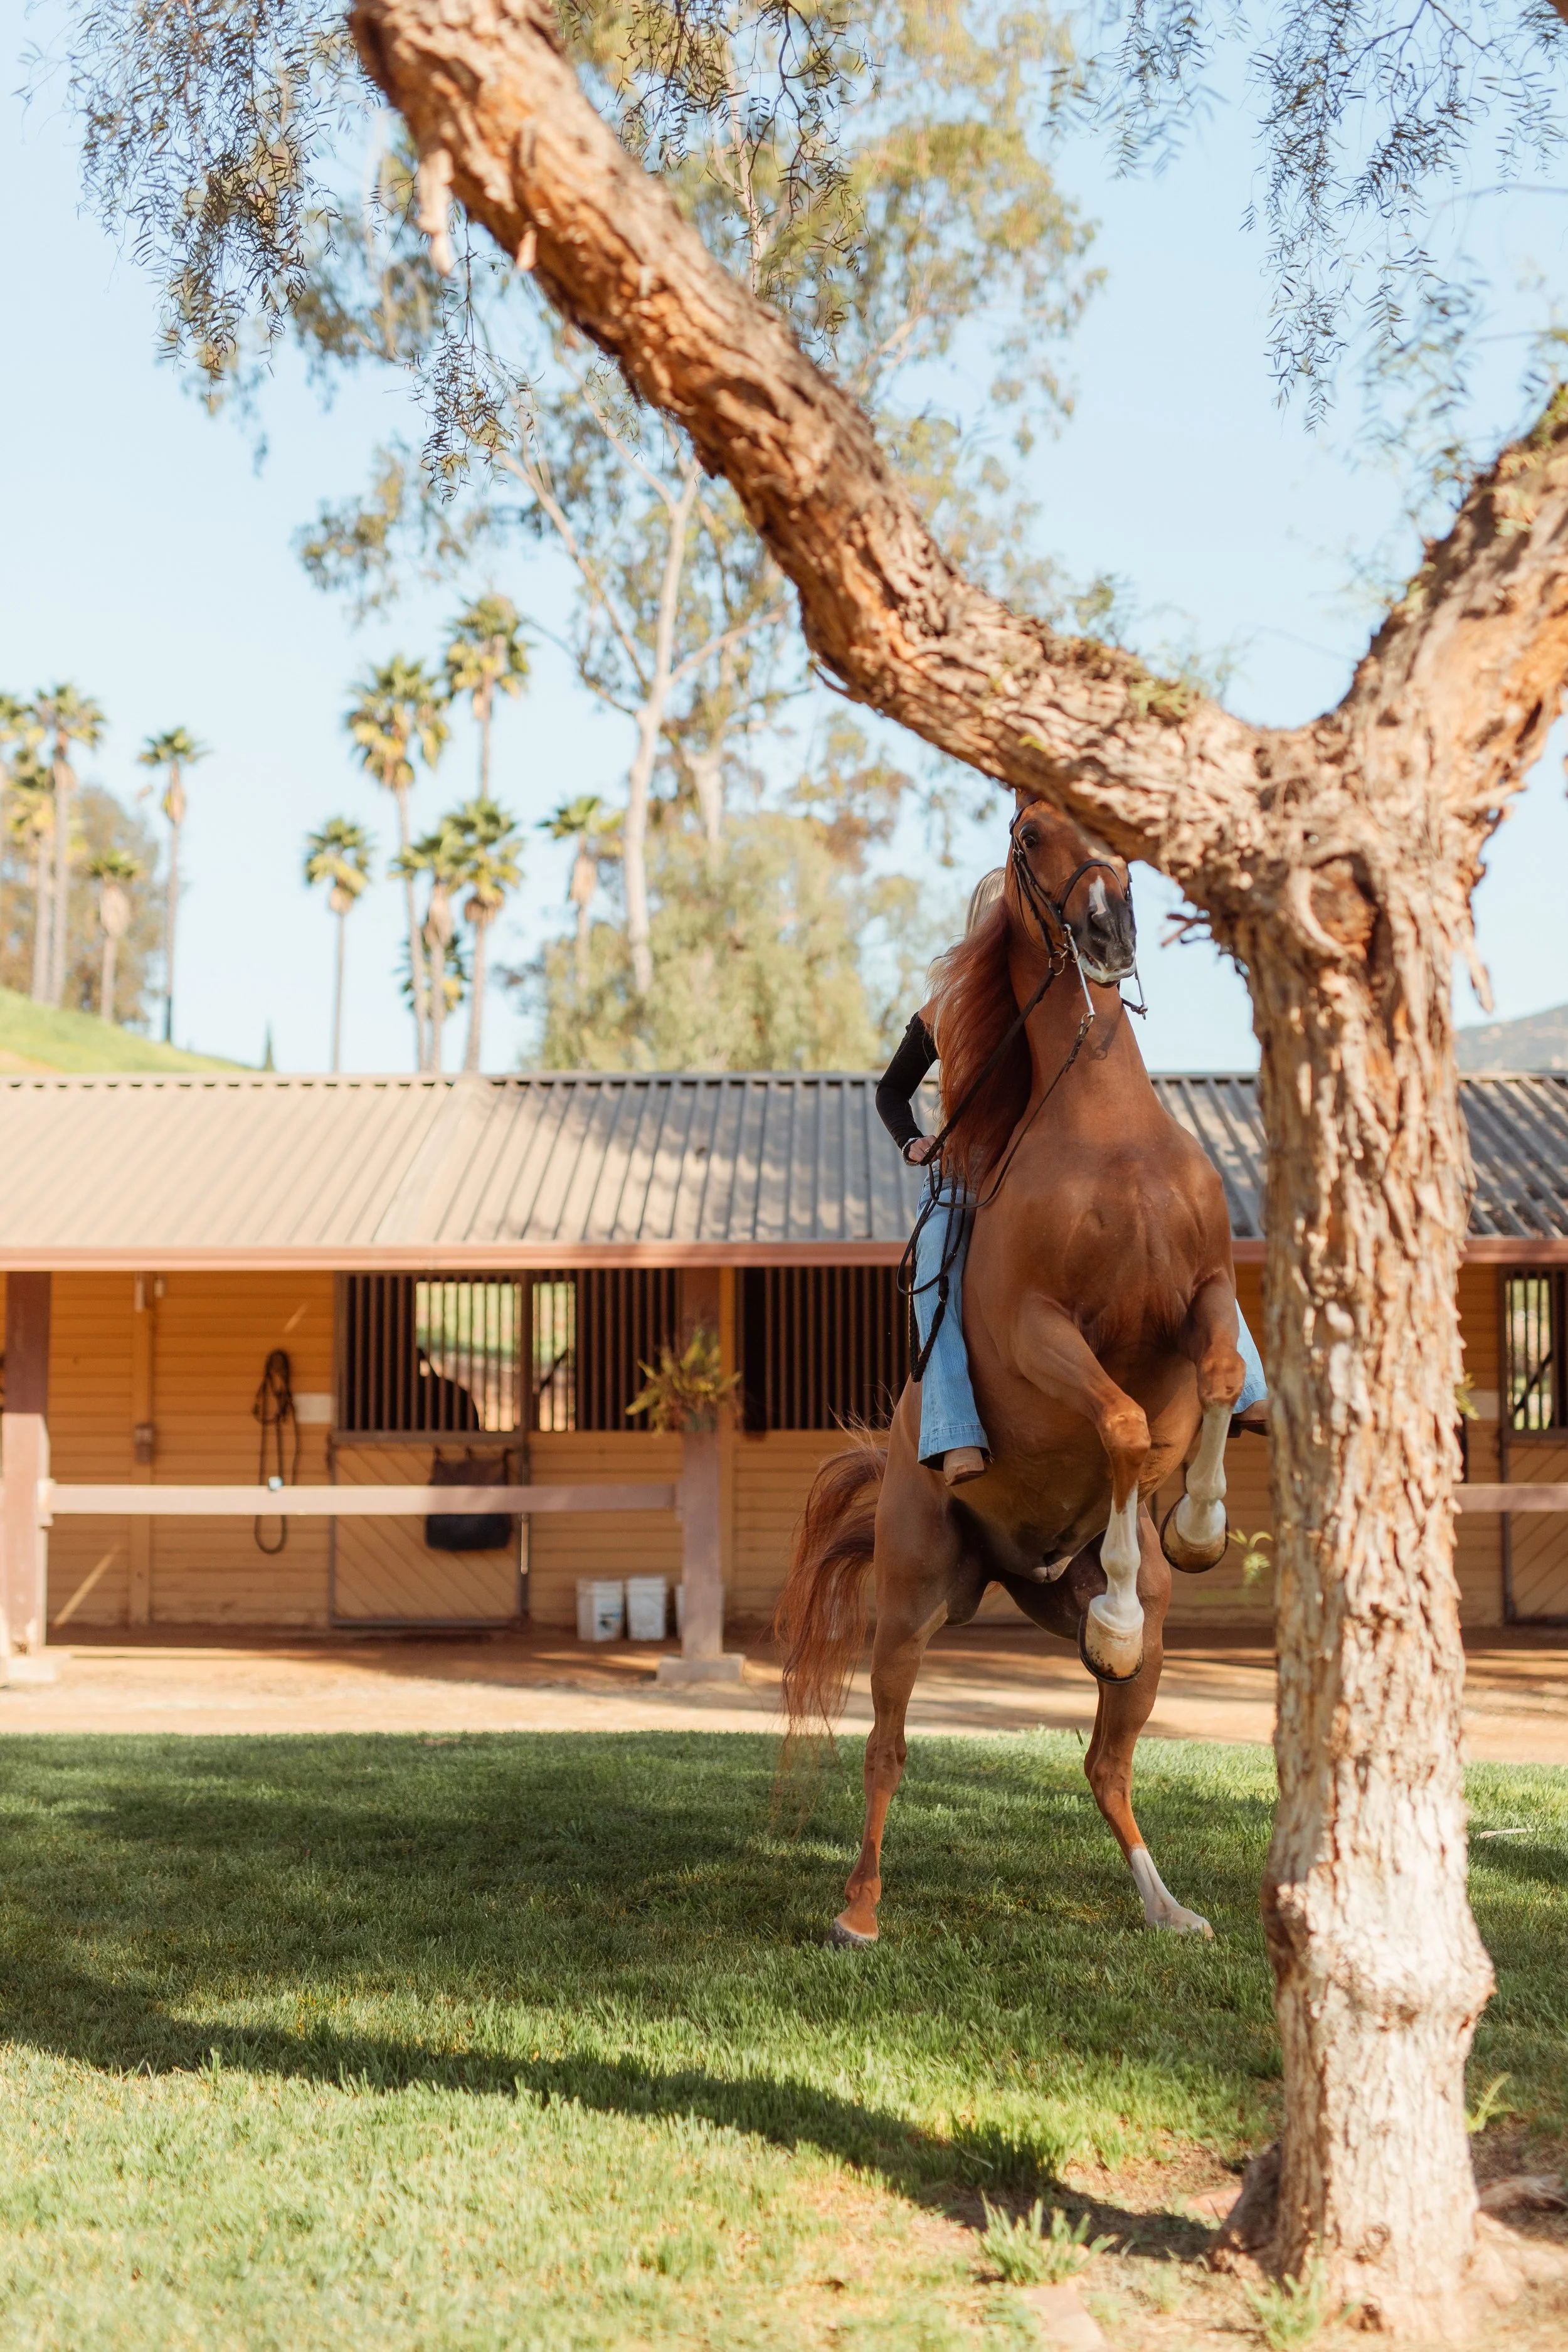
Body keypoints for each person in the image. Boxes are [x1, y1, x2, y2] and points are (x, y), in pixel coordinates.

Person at [877, 869, 1268, 1487]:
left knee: (1182, 1227)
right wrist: (911, 1143)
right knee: (932, 1269)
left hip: (1052, 1168)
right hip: (968, 1175)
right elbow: (891, 1092)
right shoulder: (946, 1004)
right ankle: (954, 1430)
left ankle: (1243, 1378)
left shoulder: (1049, 995)